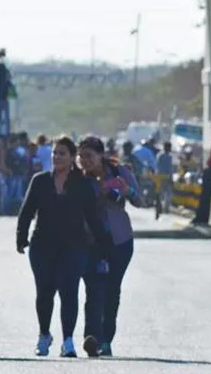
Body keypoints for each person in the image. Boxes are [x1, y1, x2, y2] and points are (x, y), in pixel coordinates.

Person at [16, 136, 111, 357]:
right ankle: (44, 335)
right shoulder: (40, 181)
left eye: (62, 154)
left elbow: (92, 217)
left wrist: (104, 242)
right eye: (54, 153)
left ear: (71, 159)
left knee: (69, 291)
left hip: (74, 246)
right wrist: (21, 236)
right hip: (42, 245)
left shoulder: (82, 184)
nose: (57, 157)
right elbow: (27, 211)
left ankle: (68, 340)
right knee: (45, 292)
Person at [77, 136, 143, 358]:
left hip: (120, 241)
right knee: (94, 290)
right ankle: (91, 337)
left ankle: (106, 339)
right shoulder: (79, 180)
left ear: (101, 155)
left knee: (112, 291)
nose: (85, 161)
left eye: (89, 156)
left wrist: (126, 190)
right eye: (81, 156)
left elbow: (140, 200)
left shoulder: (119, 172)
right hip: (91, 242)